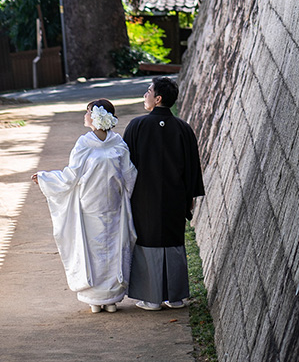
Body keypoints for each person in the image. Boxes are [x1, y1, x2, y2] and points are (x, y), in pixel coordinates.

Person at [32, 99, 137, 313]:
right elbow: (72, 175)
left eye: (88, 112)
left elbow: (129, 174)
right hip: (90, 206)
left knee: (114, 248)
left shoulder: (118, 142)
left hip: (114, 206)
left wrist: (125, 198)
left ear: (97, 116)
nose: (85, 116)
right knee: (93, 250)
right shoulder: (84, 143)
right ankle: (94, 297)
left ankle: (111, 297)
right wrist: (47, 178)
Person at [123, 77, 204, 311]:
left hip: (144, 197)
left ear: (158, 98)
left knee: (148, 241)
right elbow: (192, 167)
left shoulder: (137, 126)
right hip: (175, 197)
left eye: (148, 91)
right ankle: (175, 297)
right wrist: (189, 196)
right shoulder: (183, 128)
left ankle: (151, 298)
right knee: (173, 240)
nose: (145, 95)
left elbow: (125, 166)